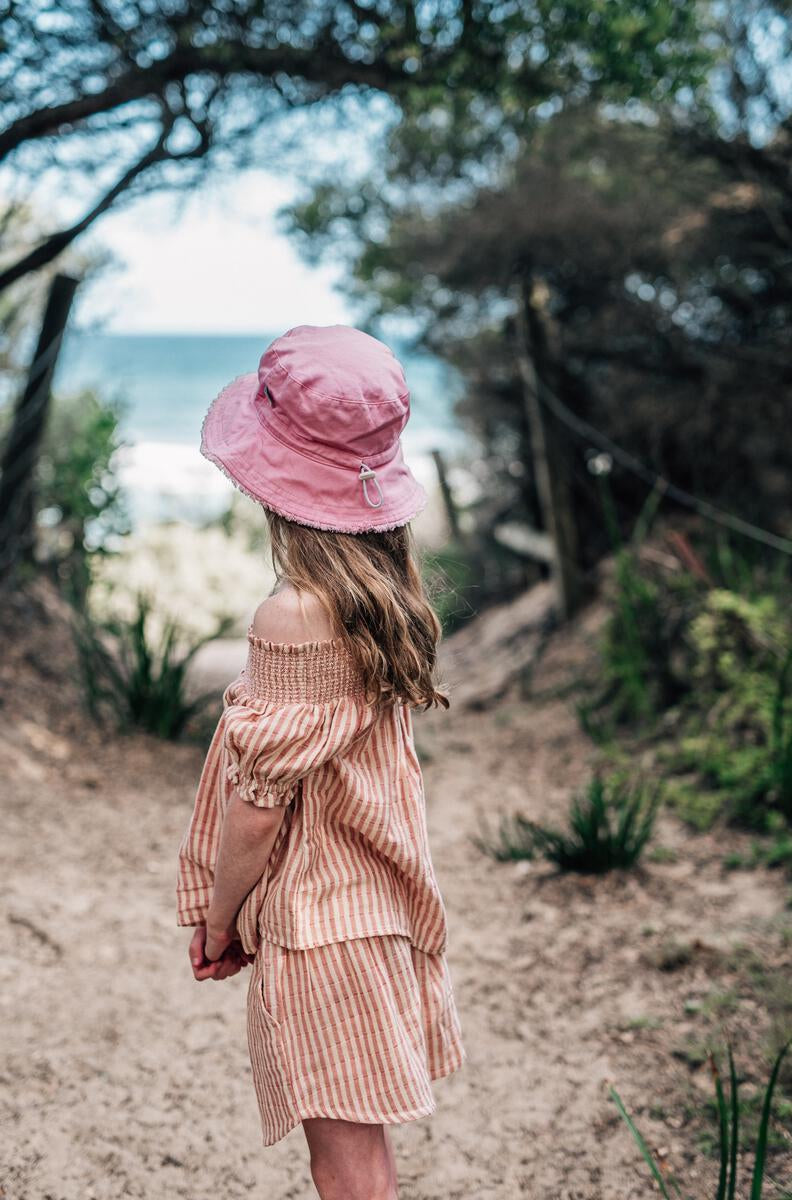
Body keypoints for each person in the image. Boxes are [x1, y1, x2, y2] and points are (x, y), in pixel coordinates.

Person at [176, 324, 466, 1200]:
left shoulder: (295, 615)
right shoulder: (383, 597)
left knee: (343, 1169)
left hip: (318, 924)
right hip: (371, 908)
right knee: (363, 1152)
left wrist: (221, 917)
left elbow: (259, 804)